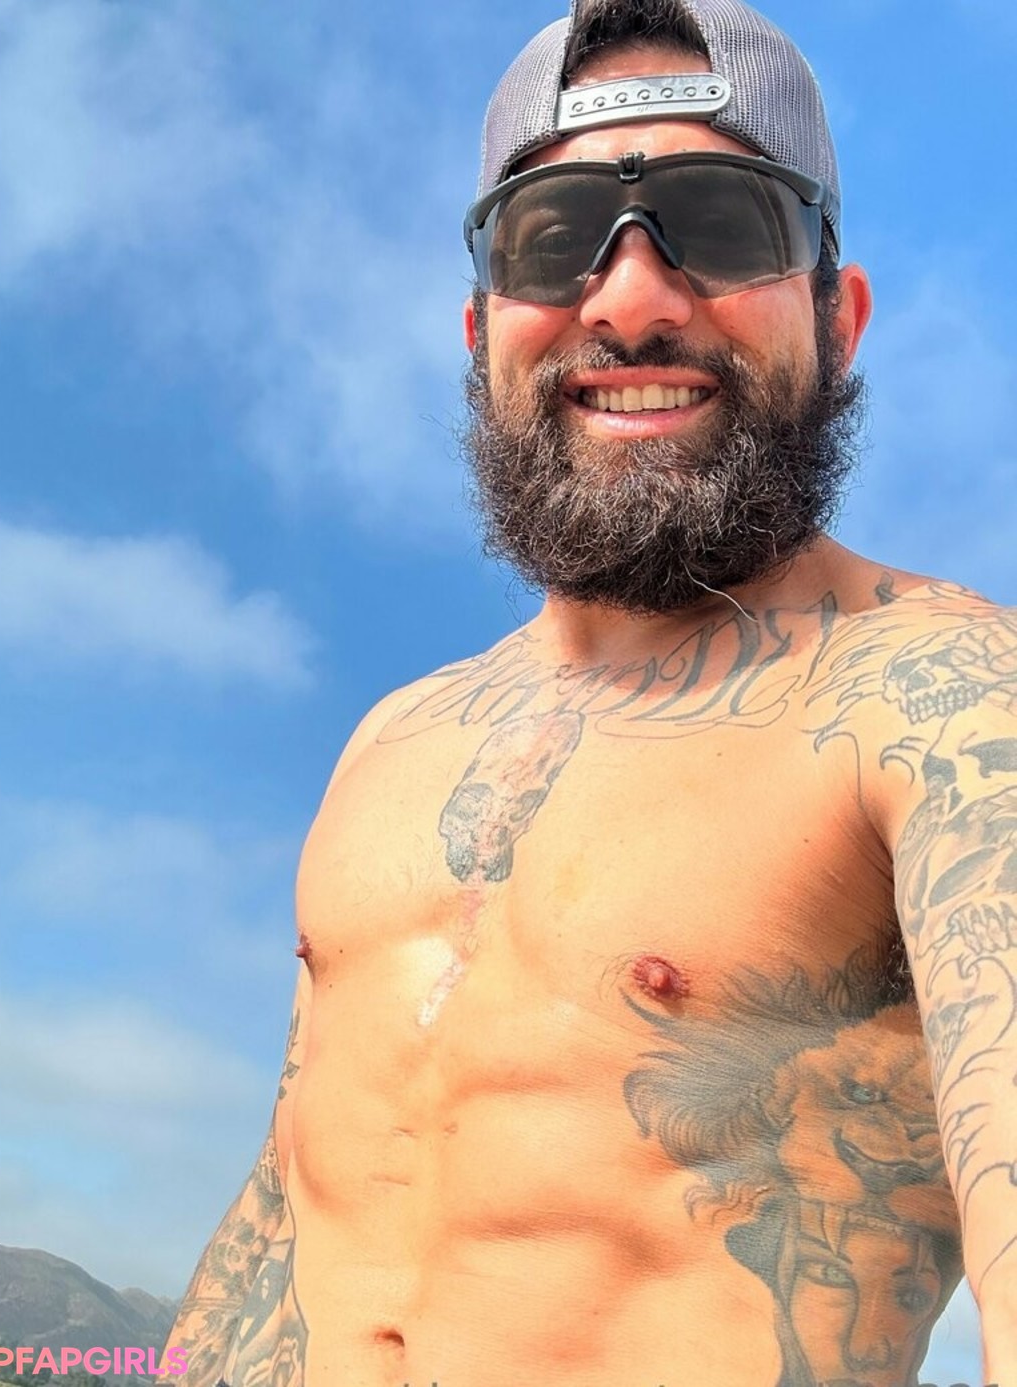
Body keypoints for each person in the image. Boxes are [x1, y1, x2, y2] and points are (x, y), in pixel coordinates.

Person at [161, 1, 1017, 1383]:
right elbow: (281, 1217)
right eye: (553, 239)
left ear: (838, 317)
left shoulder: (947, 703)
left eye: (723, 221)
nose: (628, 300)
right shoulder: (391, 741)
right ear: (480, 328)